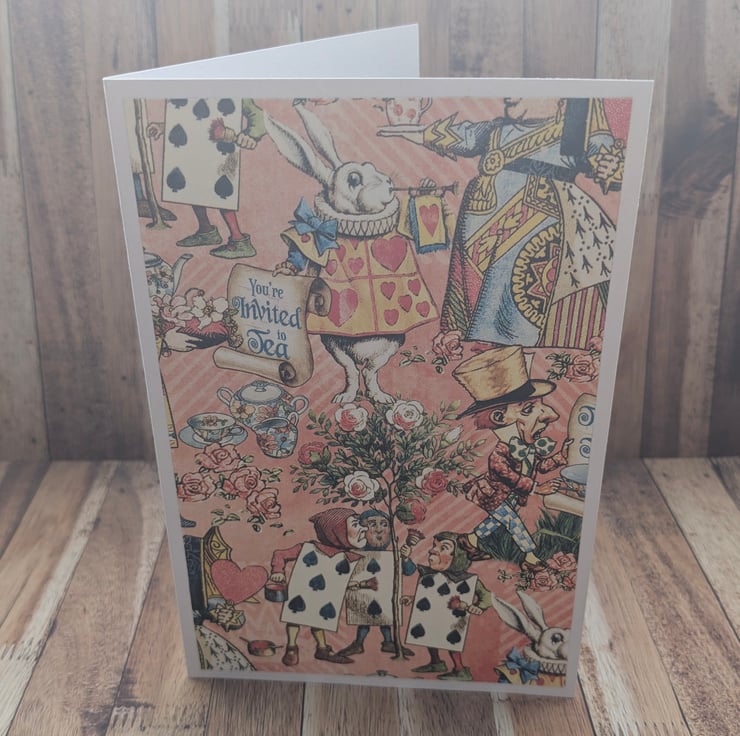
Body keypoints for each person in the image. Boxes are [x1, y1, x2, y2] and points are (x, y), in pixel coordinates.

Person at [383, 97, 624, 353]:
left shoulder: (571, 130)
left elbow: (605, 158)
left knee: (512, 305)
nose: (511, 95)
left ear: (560, 101)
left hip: (534, 227)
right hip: (479, 234)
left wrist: (611, 165)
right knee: (473, 299)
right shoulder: (496, 130)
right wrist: (412, 131)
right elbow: (459, 136)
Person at [452, 345, 570, 571]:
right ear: (499, 417)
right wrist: (535, 488)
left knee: (495, 522)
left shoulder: (528, 448)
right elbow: (508, 476)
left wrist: (560, 458)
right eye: (528, 409)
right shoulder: (499, 455)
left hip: (511, 498)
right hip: (493, 496)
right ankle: (530, 558)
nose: (551, 415)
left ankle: (470, 540)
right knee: (513, 523)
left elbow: (540, 466)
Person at [269, 507, 366, 666]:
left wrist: (352, 585)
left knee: (318, 621)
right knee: (294, 618)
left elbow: (336, 578)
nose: (364, 529)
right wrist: (277, 571)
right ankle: (291, 647)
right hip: (300, 593)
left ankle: (322, 649)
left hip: (323, 599)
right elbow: (280, 554)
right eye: (356, 524)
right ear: (335, 531)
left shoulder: (347, 558)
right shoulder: (307, 548)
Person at [405, 532, 492, 681]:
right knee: (429, 634)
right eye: (434, 546)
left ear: (457, 556)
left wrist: (479, 606)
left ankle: (460, 669)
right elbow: (410, 572)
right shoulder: (428, 574)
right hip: (432, 615)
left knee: (451, 640)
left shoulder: (467, 579)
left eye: (443, 548)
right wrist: (406, 558)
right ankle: (436, 662)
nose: (433, 550)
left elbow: (487, 596)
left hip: (452, 619)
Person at [336, 509, 416, 658]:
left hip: (385, 597)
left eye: (384, 525)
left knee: (385, 614)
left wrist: (405, 558)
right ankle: (359, 643)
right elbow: (340, 572)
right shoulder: (354, 555)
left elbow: (409, 571)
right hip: (363, 596)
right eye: (372, 524)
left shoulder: (393, 556)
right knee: (364, 616)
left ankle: (388, 642)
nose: (379, 529)